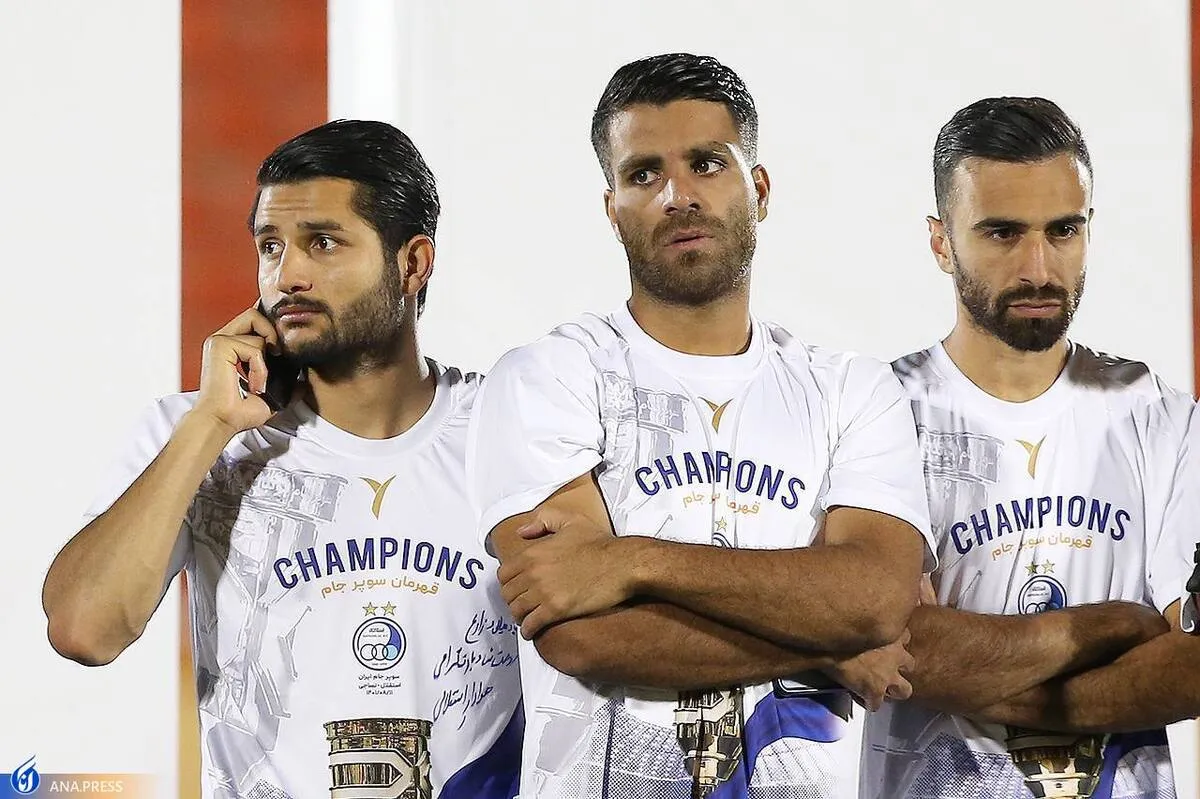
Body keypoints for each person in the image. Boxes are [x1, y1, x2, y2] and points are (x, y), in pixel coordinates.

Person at [467, 52, 935, 799]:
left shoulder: (851, 389)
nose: (677, 195)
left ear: (760, 189)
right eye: (644, 174)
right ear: (612, 208)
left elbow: (876, 598)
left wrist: (631, 562)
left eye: (708, 164)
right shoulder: (546, 376)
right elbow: (582, 635)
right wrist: (825, 644)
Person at [42, 120, 521, 799]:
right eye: (271, 246)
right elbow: (85, 630)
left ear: (412, 264)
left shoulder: (508, 426)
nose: (286, 275)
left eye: (322, 242)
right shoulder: (193, 433)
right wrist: (211, 424)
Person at [859, 97, 1198, 799]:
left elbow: (1193, 669)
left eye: (1063, 230)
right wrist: (1118, 627)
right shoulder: (875, 412)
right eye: (1003, 233)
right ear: (941, 243)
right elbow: (882, 644)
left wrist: (969, 666)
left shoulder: (1158, 415)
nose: (1039, 268)